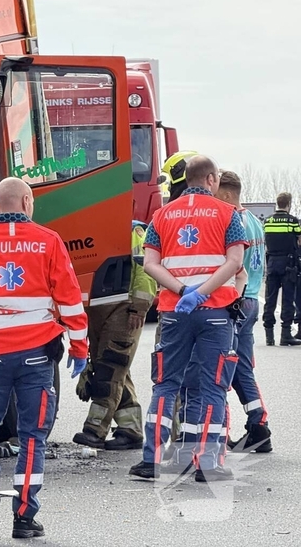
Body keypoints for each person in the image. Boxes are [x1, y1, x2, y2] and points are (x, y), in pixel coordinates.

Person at [0, 177, 88, 540]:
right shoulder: (48, 241)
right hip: (36, 356)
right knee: (33, 435)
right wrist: (79, 349)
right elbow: (71, 301)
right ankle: (24, 517)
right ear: (26, 202)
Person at [129, 155, 246, 483]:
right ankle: (207, 463)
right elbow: (235, 262)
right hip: (216, 312)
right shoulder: (228, 214)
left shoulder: (161, 215)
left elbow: (150, 264)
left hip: (174, 312)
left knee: (166, 384)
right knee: (212, 387)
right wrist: (204, 292)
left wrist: (183, 291)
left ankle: (151, 459)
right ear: (211, 179)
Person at [73, 220, 156, 450]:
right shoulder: (89, 227)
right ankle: (130, 430)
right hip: (97, 309)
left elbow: (144, 266)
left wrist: (140, 306)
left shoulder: (131, 229)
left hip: (124, 309)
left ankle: (94, 429)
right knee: (116, 371)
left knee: (109, 369)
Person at [216, 171, 272, 452]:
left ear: (227, 195)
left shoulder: (233, 221)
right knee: (242, 367)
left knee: (220, 367)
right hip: (251, 301)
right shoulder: (254, 220)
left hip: (236, 299)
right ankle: (258, 425)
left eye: (216, 194)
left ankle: (218, 433)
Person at [262, 192, 301, 346]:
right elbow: (299, 239)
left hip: (272, 263)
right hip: (288, 264)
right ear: (289, 204)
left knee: (270, 299)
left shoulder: (268, 221)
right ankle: (285, 334)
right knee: (287, 299)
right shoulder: (292, 221)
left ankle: (269, 335)